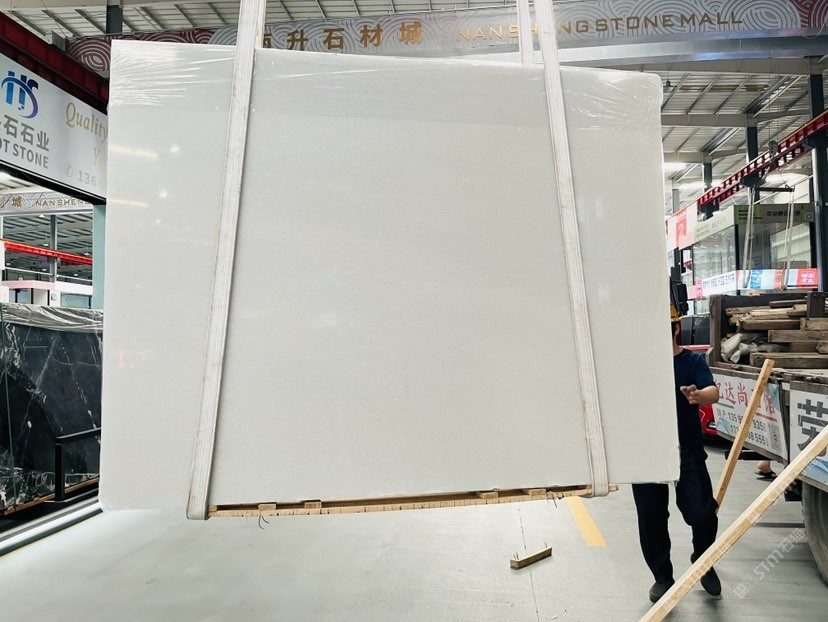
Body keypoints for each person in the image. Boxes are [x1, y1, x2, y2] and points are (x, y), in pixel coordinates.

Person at [632, 304, 722, 603]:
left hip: (687, 448)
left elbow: (713, 392)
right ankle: (662, 577)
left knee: (703, 512)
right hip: (646, 450)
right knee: (651, 517)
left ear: (675, 329)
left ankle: (703, 561)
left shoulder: (691, 361)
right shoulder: (638, 364)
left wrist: (697, 395)